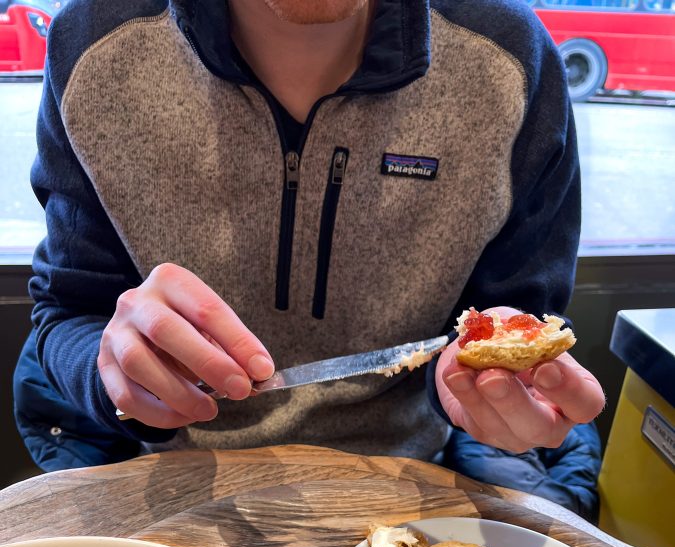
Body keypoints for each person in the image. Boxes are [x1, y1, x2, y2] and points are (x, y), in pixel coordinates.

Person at [14, 0, 605, 475]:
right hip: (170, 467)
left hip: (404, 473)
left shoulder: (509, 63)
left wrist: (487, 393)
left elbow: (519, 316)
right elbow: (70, 307)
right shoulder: (95, 43)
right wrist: (116, 371)